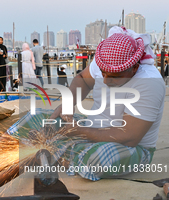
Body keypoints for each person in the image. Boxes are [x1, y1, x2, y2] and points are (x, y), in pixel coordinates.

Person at [8, 26, 165, 181]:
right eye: (103, 74)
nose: (105, 80)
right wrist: (68, 106)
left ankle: (49, 148)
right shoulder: (103, 62)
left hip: (131, 147)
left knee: (97, 159)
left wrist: (78, 131)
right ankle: (31, 149)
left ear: (134, 68)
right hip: (89, 128)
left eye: (114, 76)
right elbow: (82, 79)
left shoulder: (149, 83)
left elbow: (129, 136)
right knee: (35, 117)